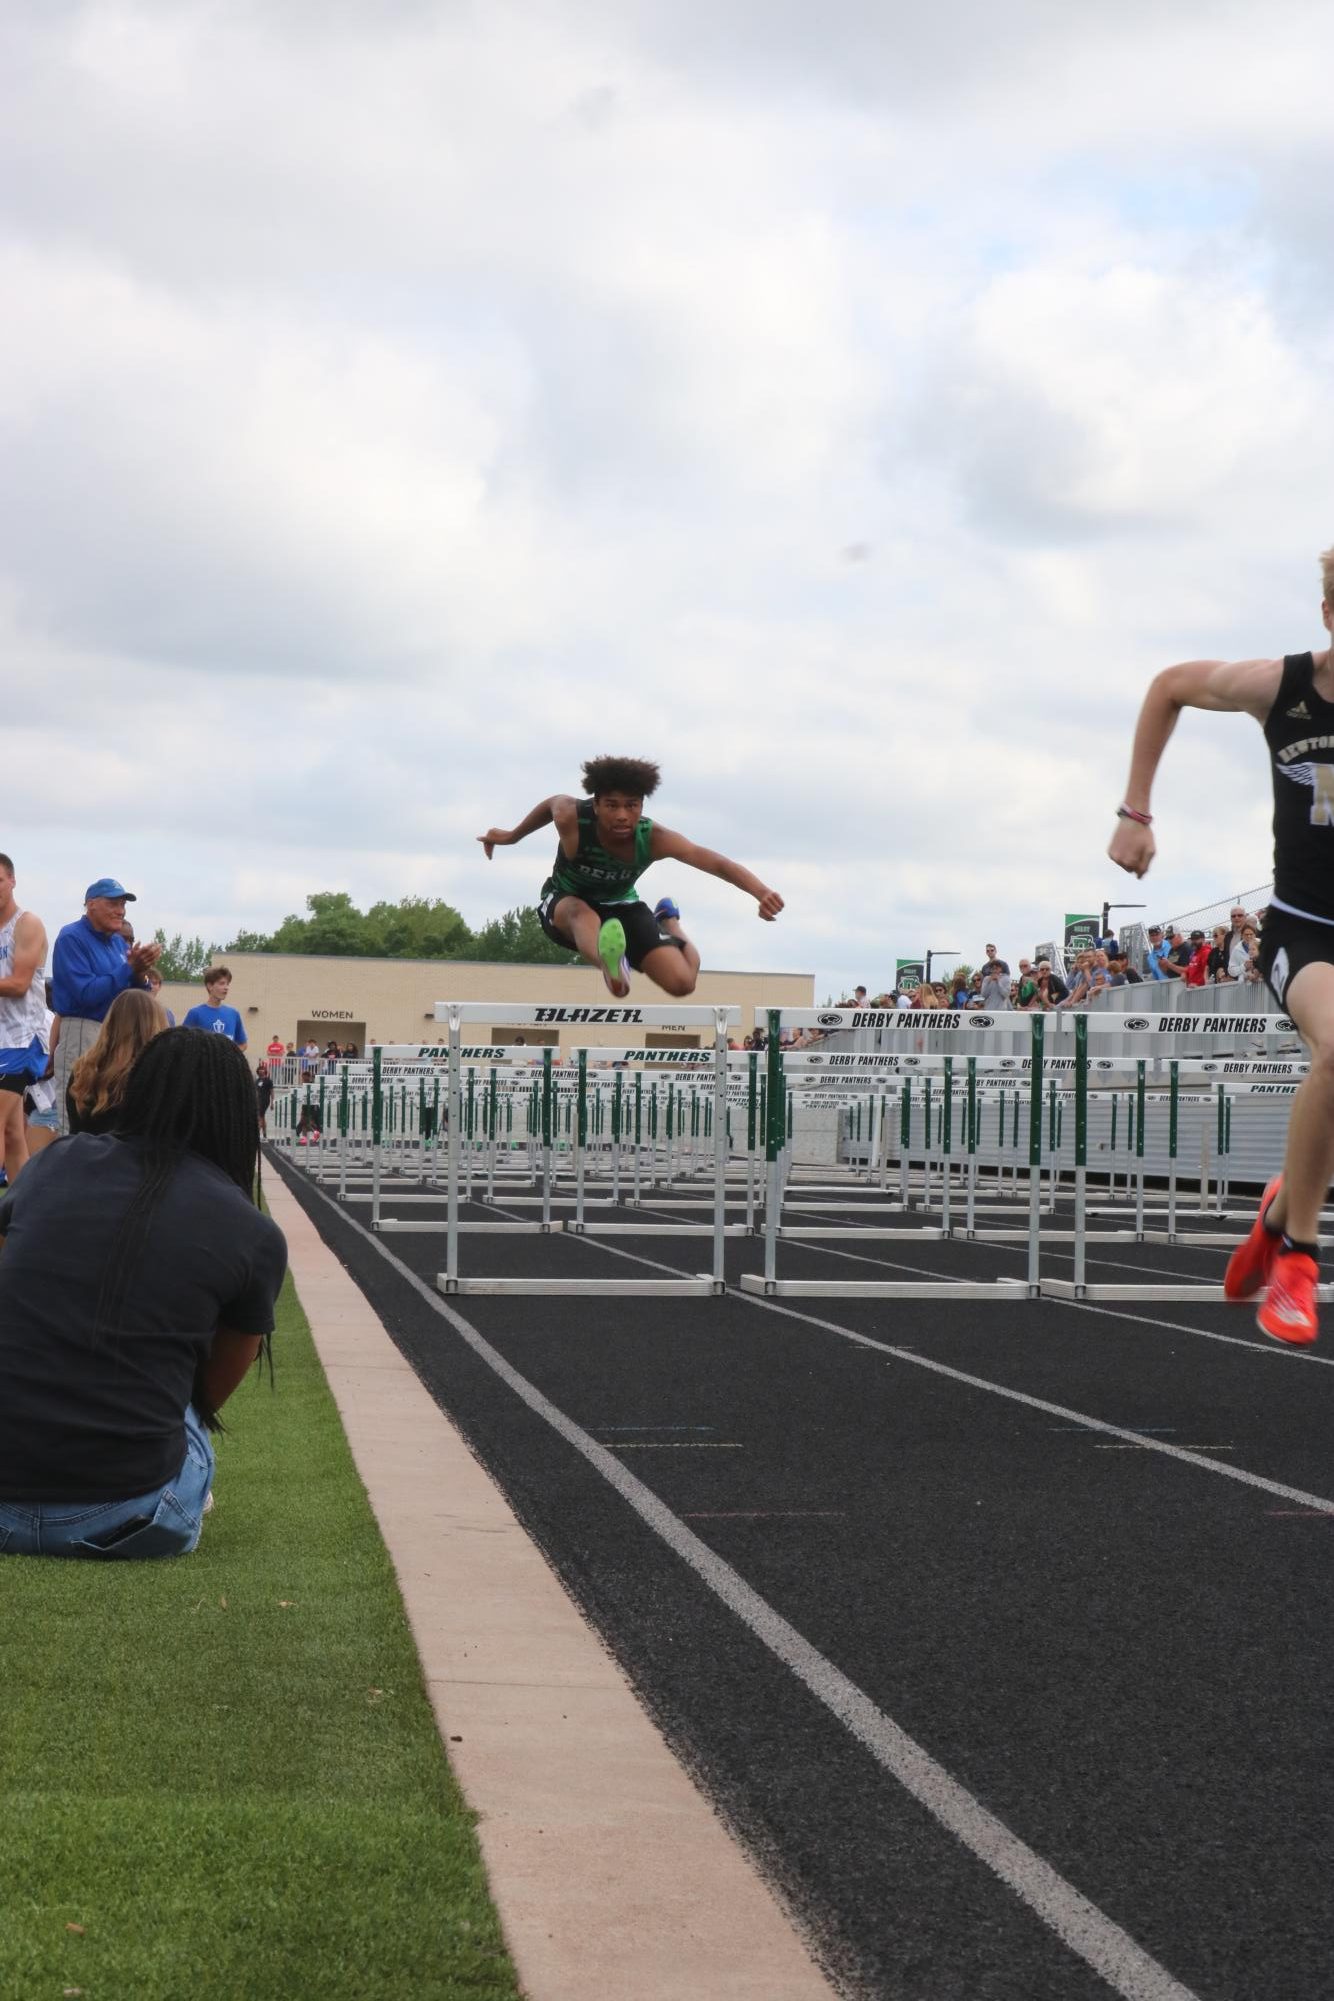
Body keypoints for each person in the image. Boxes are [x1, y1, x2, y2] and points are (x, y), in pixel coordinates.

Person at [1109, 543, 1334, 1344]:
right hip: (1306, 928)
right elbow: (1170, 684)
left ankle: (1275, 1214)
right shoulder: (1282, 684)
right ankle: (1299, 1262)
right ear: (1330, 616)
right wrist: (1135, 811)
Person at [0, 1030, 287, 1560]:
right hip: (130, 1513)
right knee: (181, 1417)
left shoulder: (55, 1162)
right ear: (237, 1115)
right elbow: (206, 1396)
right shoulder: (253, 1232)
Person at [477, 756, 783, 998]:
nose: (622, 815)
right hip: (565, 905)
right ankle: (612, 965)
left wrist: (761, 892)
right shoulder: (573, 817)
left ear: (641, 807)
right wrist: (511, 837)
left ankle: (668, 921)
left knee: (682, 983)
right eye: (611, 805)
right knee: (579, 910)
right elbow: (551, 804)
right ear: (595, 805)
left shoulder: (654, 838)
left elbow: (714, 862)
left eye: (631, 806)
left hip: (623, 907)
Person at [50, 878, 162, 1135]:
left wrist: (139, 973)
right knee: (75, 1120)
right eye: (113, 903)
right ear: (91, 905)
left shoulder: (117, 943)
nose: (120, 910)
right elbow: (86, 995)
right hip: (83, 1029)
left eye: (123, 904)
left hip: (115, 1036)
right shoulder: (72, 937)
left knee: (105, 1115)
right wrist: (128, 968)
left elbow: (137, 996)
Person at [0, 854, 48, 1187]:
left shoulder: (26, 923)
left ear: (12, 881)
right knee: (14, 1132)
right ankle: (18, 1220)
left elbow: (18, 985)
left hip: (22, 1039)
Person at [67, 989, 170, 1137]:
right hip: (138, 1158)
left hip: (86, 1156)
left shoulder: (82, 1071)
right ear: (157, 1025)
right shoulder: (158, 1075)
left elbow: (75, 1130)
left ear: (109, 1023)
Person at [182, 966, 247, 1049]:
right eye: (222, 983)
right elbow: (184, 1044)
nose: (226, 987)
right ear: (210, 986)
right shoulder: (195, 1013)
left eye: (227, 984)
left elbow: (243, 1044)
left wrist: (230, 1056)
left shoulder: (234, 1014)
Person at [255, 1061, 274, 1137]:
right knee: (262, 1117)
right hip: (258, 1101)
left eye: (262, 1069)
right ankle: (265, 1134)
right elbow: (256, 1091)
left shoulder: (268, 1080)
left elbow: (272, 1092)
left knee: (260, 1116)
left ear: (265, 1071)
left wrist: (272, 1103)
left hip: (265, 1100)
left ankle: (256, 1134)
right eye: (260, 1069)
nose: (261, 1070)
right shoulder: (257, 1081)